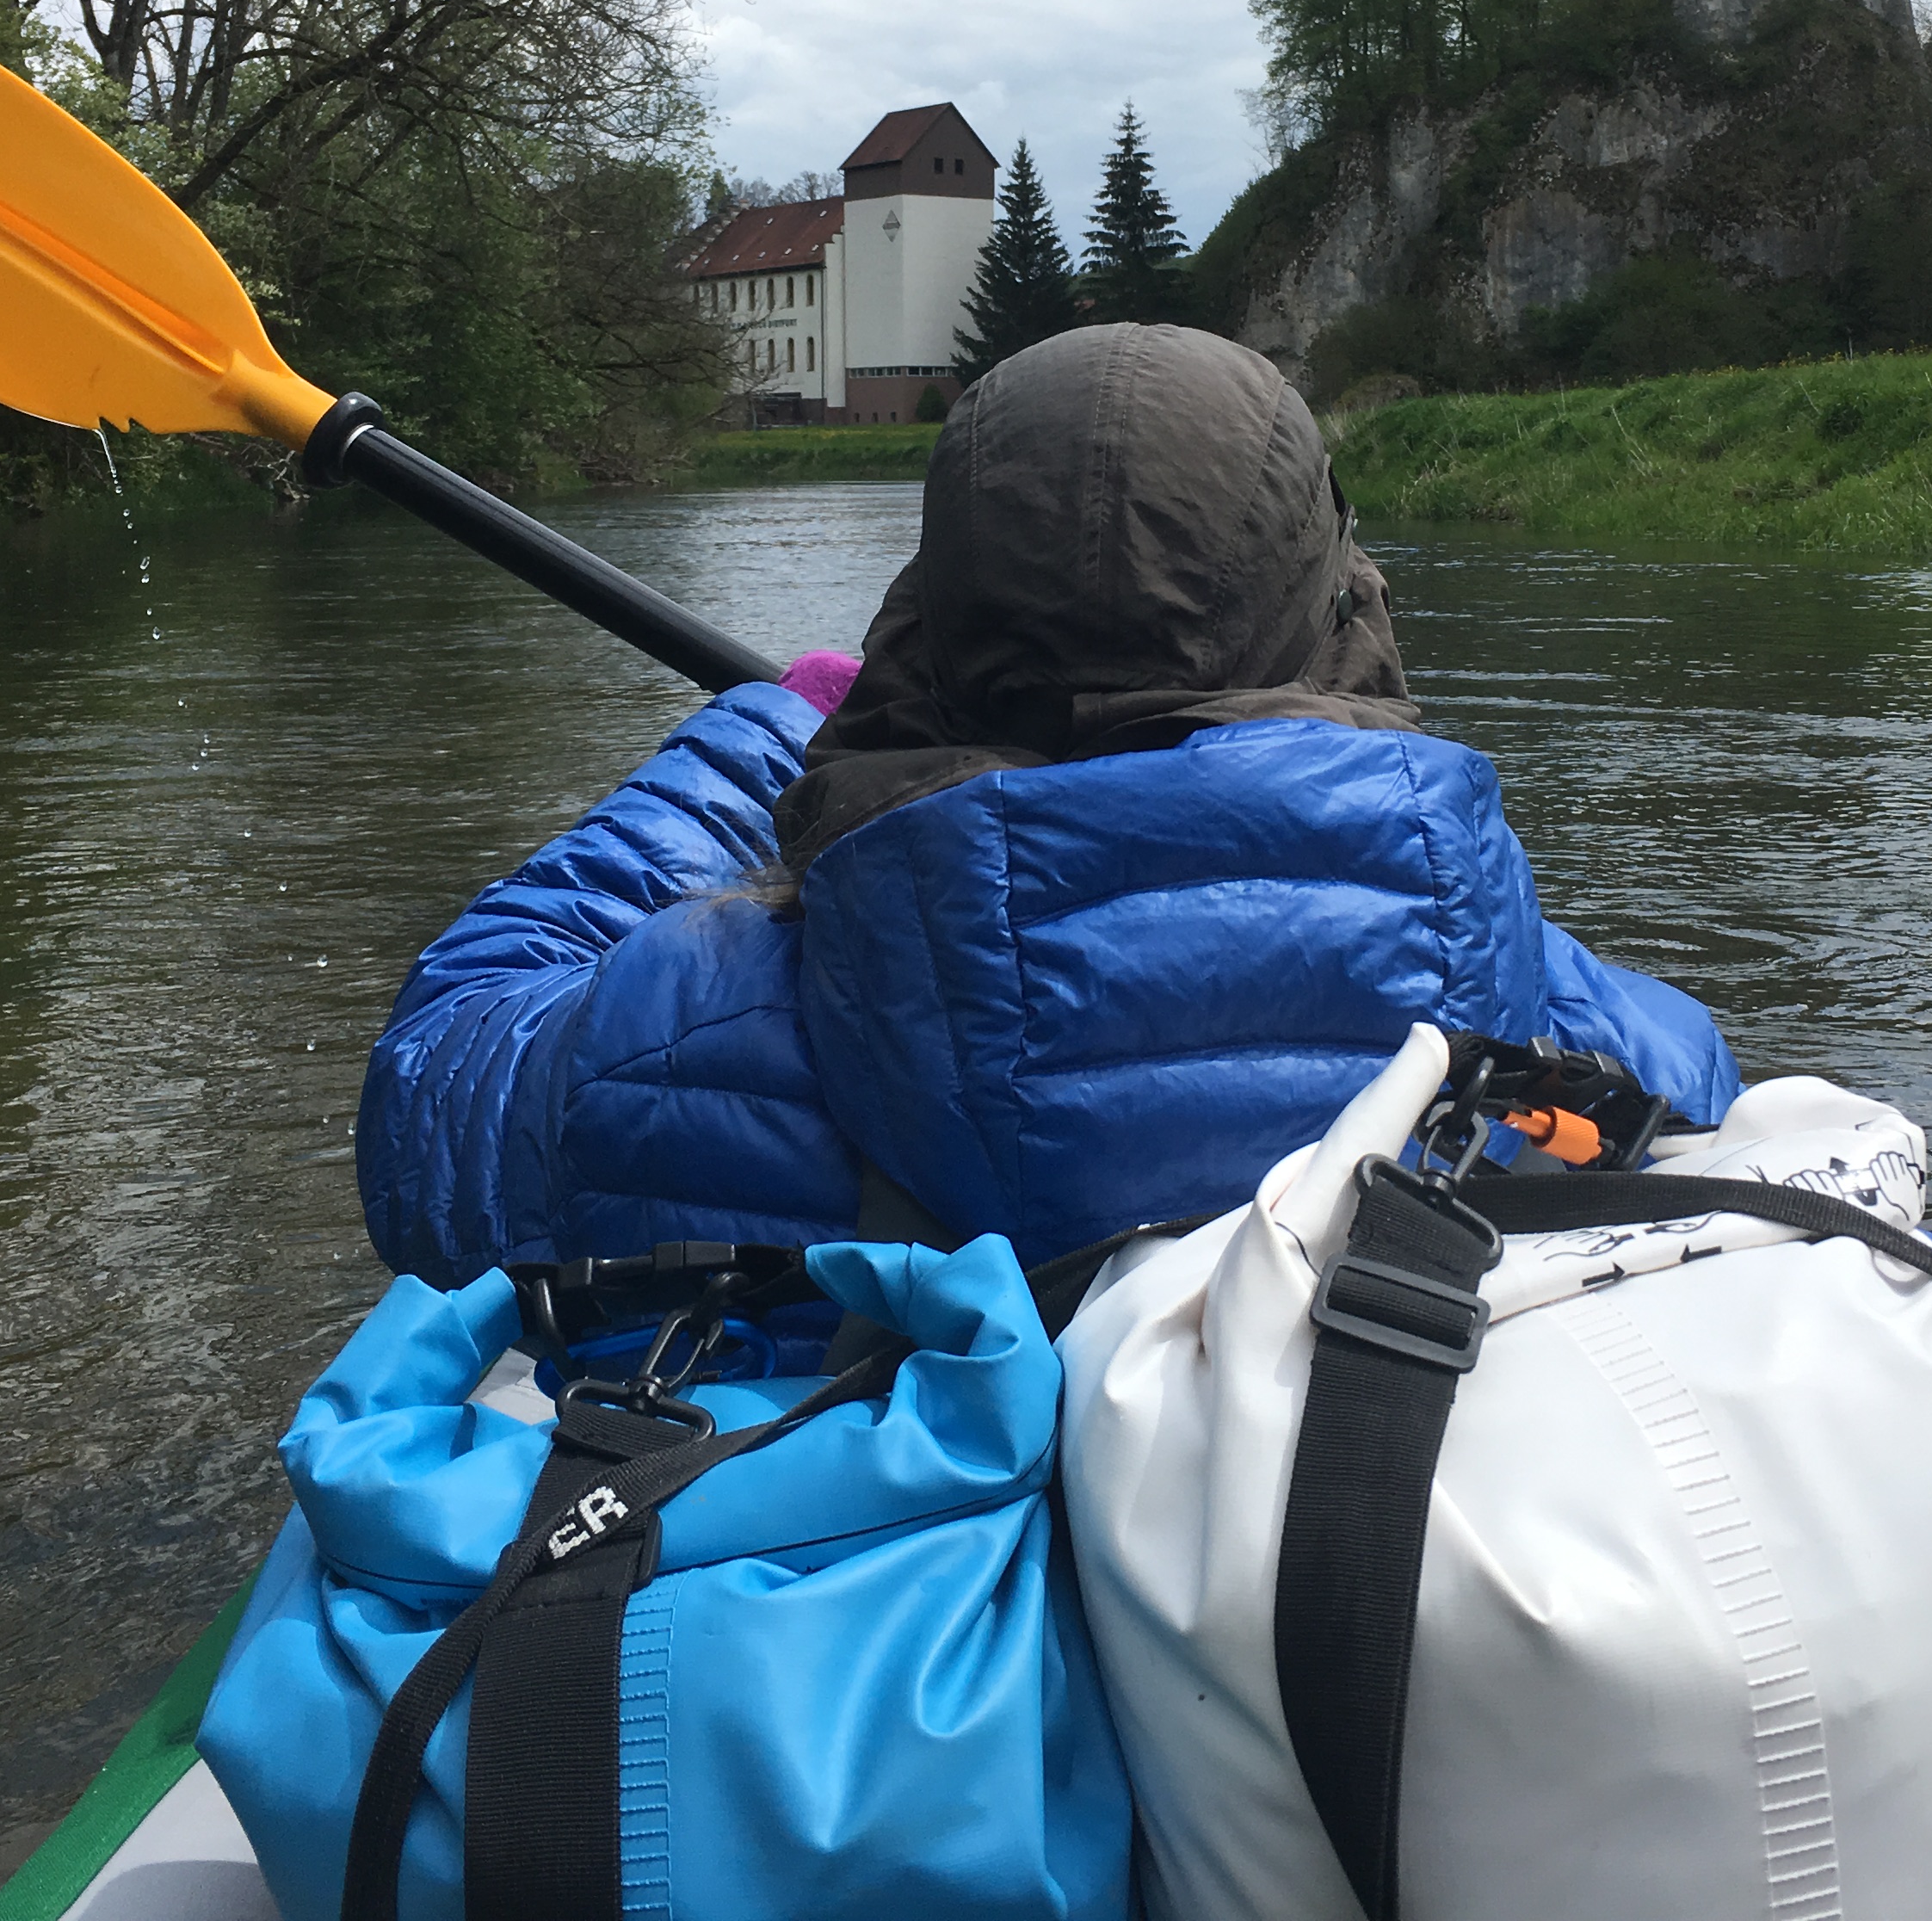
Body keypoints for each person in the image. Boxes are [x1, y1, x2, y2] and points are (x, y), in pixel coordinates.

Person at [357, 323, 1738, 1305]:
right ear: (1342, 627)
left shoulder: (691, 1029)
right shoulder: (1598, 1055)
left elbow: (430, 1084)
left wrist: (773, 738)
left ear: (924, 636)